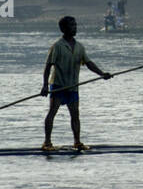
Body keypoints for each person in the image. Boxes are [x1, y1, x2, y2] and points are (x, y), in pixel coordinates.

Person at [42, 16, 111, 151]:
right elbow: (48, 67)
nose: (75, 28)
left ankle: (77, 142)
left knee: (75, 114)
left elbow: (88, 63)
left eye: (75, 25)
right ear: (63, 29)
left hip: (73, 86)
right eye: (72, 26)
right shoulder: (57, 46)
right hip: (58, 85)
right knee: (52, 112)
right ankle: (47, 143)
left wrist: (102, 74)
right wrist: (45, 86)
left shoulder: (79, 47)